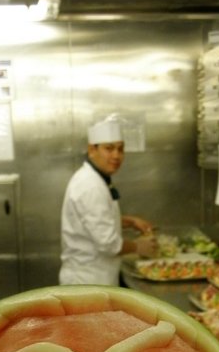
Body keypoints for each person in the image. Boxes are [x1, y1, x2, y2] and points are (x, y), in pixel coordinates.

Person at [59, 117, 158, 286]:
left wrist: (129, 221)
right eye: (109, 149)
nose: (116, 155)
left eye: (120, 149)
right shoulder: (90, 186)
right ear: (92, 150)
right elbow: (109, 244)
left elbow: (93, 221)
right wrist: (138, 247)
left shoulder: (95, 178)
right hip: (88, 281)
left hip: (96, 277)